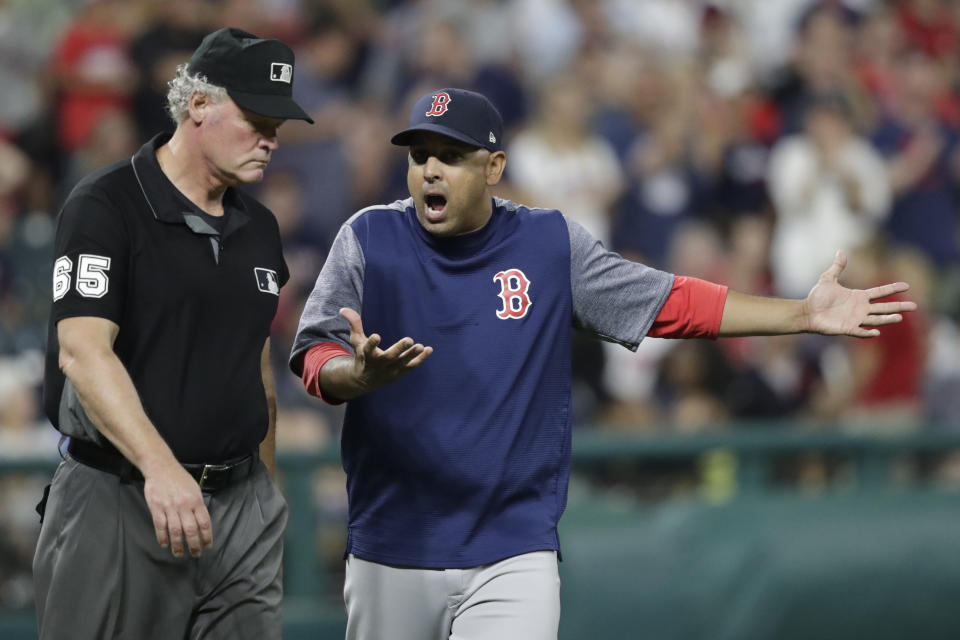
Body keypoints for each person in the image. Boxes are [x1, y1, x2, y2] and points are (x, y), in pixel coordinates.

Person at [289, 88, 916, 640]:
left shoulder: (546, 243)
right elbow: (314, 353)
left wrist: (800, 315)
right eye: (418, 154)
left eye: (450, 156)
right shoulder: (369, 236)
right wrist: (355, 376)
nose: (430, 170)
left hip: (513, 546)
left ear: (495, 167)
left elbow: (667, 300)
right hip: (396, 540)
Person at [35, 27, 313, 639]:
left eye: (279, 125)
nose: (271, 139)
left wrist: (262, 495)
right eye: (257, 119)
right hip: (123, 496)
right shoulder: (107, 205)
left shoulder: (259, 226)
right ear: (199, 105)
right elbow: (83, 353)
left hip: (240, 506)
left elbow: (254, 365)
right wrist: (161, 470)